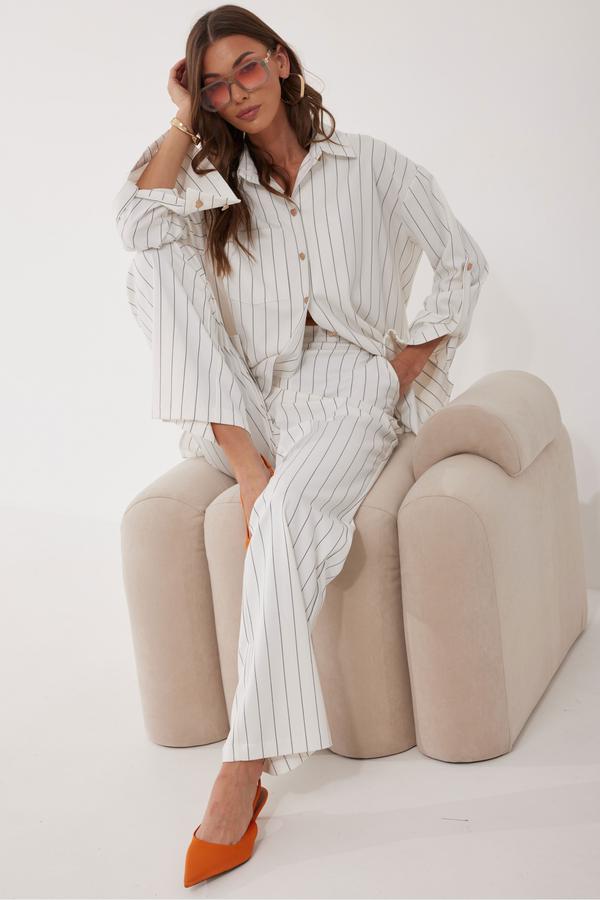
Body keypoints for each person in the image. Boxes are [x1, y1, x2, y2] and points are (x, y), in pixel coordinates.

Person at [113, 4, 489, 884]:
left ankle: (241, 776)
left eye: (247, 67)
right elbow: (137, 223)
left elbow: (462, 263)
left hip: (347, 381)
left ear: (282, 62)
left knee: (283, 521)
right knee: (152, 266)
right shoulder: (212, 181)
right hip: (245, 402)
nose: (235, 93)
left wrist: (397, 371)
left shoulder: (371, 164)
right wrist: (181, 118)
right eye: (213, 84)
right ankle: (254, 472)